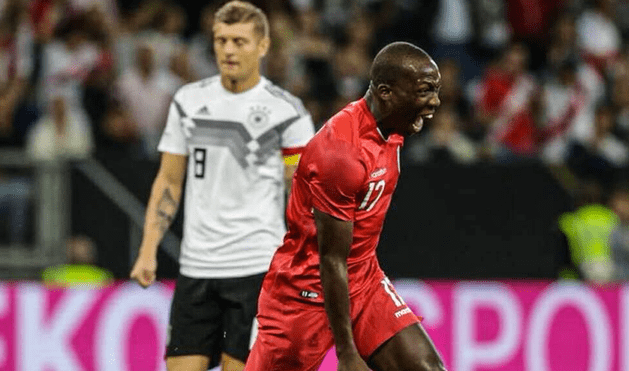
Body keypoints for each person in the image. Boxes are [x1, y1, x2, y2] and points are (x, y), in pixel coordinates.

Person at [129, 2, 315, 371]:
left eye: (240, 41)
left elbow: (304, 195)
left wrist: (304, 264)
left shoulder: (287, 112)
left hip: (256, 268)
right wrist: (148, 248)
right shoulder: (188, 102)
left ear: (262, 46)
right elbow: (168, 180)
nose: (228, 50)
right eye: (221, 40)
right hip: (196, 268)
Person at [245, 41, 446, 371]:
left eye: (435, 91)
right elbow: (331, 259)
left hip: (363, 280)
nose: (434, 102)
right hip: (306, 294)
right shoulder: (341, 154)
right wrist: (347, 352)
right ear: (386, 93)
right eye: (425, 91)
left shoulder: (395, 124)